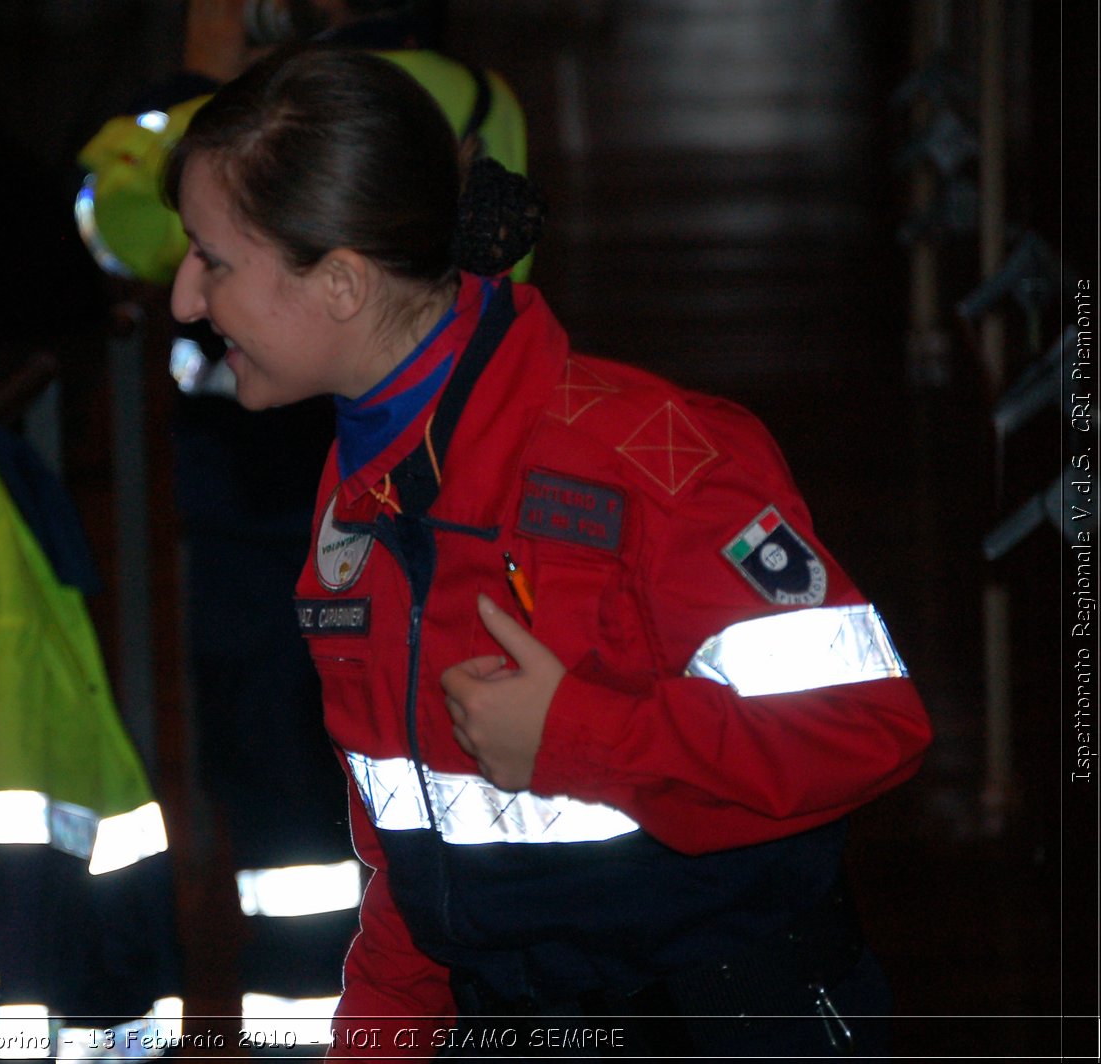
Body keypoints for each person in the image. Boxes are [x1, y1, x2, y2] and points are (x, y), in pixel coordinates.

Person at [165, 45, 932, 1059]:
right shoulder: (360, 495)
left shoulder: (646, 460)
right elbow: (412, 856)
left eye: (211, 259)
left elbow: (868, 726)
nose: (182, 299)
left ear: (340, 283)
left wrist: (576, 731)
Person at [75, 1, 533, 1043]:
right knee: (339, 782)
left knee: (318, 776)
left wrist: (194, 82)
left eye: (217, 263)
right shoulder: (465, 95)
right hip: (337, 461)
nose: (192, 292)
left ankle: (317, 1011)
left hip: (312, 476)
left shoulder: (261, 124)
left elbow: (119, 226)